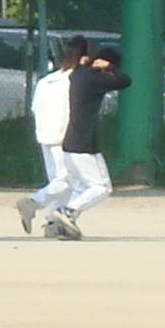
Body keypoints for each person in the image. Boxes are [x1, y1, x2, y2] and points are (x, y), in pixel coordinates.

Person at [30, 44, 129, 240]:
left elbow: (83, 72)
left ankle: (63, 225)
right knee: (102, 187)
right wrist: (110, 68)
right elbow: (125, 80)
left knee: (78, 187)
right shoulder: (94, 79)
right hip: (84, 142)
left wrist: (89, 65)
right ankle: (68, 211)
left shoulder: (77, 75)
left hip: (68, 141)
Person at [16, 35, 89, 235]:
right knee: (72, 182)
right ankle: (33, 202)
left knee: (59, 182)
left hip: (45, 135)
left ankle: (53, 224)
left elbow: (35, 108)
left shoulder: (47, 80)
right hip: (66, 136)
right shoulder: (77, 79)